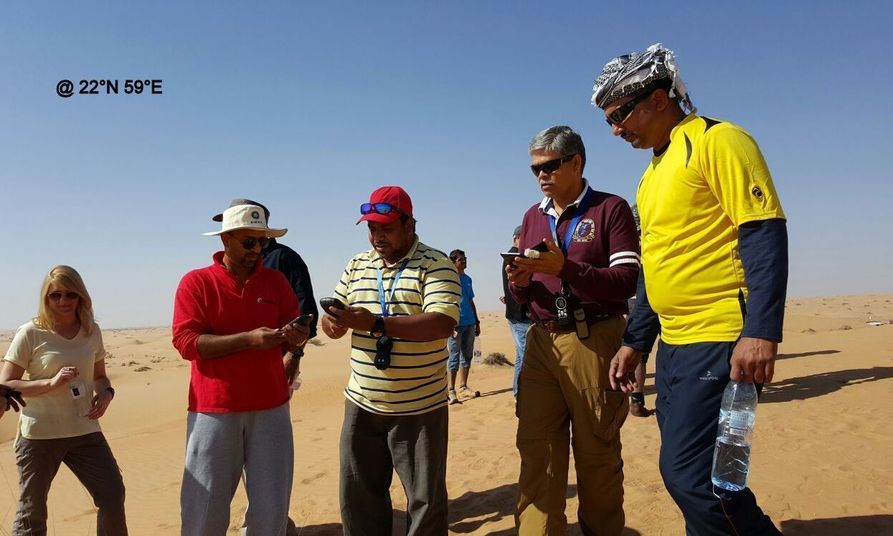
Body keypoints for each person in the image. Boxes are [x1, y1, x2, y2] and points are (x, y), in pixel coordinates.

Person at [593, 43, 788, 535]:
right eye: (608, 120)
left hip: (723, 339)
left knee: (696, 478)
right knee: (710, 476)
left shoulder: (719, 141)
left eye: (620, 115)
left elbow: (762, 232)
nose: (616, 130)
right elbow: (657, 266)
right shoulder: (651, 174)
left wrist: (761, 331)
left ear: (659, 99)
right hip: (677, 347)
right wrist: (638, 341)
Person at [506, 125, 640, 535]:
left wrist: (564, 268)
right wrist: (519, 279)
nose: (541, 176)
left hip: (593, 338)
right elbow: (521, 292)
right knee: (537, 453)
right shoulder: (532, 216)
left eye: (549, 166)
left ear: (576, 162)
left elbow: (626, 281)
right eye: (534, 169)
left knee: (596, 453)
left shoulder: (609, 209)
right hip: (541, 340)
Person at [321, 185, 459, 536]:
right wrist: (334, 323)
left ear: (409, 225)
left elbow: (442, 323)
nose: (377, 236)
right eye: (371, 228)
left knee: (425, 501)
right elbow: (331, 324)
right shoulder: (357, 264)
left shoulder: (437, 264)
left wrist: (376, 323)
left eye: (385, 228)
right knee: (359, 497)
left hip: (419, 408)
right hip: (362, 403)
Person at [172, 201, 308, 536]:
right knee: (204, 509)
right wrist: (247, 340)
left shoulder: (276, 281)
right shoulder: (196, 283)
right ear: (226, 240)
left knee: (271, 509)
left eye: (262, 242)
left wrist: (296, 338)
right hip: (215, 410)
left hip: (272, 408)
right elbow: (187, 343)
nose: (257, 250)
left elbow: (293, 326)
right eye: (249, 242)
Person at [1, 265, 127, 535]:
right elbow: (7, 384)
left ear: (81, 296)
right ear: (45, 298)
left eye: (70, 294)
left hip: (85, 430)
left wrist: (106, 394)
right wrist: (50, 383)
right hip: (40, 435)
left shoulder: (91, 331)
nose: (63, 301)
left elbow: (100, 377)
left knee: (112, 493)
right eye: (55, 295)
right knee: (31, 512)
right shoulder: (31, 332)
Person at [500, 225, 532, 399]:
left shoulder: (511, 256)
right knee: (527, 356)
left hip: (517, 315)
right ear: (519, 237)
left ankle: (518, 393)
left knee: (521, 357)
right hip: (520, 316)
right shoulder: (513, 257)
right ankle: (522, 396)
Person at [627, 204, 652, 418]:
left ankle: (636, 399)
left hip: (634, 301)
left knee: (638, 354)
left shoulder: (625, 243)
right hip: (648, 298)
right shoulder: (654, 238)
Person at [446, 248, 481, 404]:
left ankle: (463, 387)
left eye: (465, 258)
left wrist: (477, 321)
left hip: (470, 323)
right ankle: (450, 390)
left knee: (467, 356)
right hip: (455, 324)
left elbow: (470, 300)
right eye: (461, 259)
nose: (464, 261)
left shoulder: (468, 279)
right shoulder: (448, 279)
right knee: (453, 357)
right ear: (453, 262)